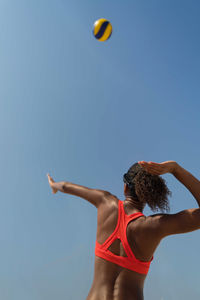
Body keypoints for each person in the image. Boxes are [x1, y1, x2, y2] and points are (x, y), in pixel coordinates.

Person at [47, 161, 200, 300]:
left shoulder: (105, 201)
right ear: (147, 194)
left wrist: (54, 186)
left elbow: (66, 186)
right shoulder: (154, 226)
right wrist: (175, 169)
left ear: (125, 186)